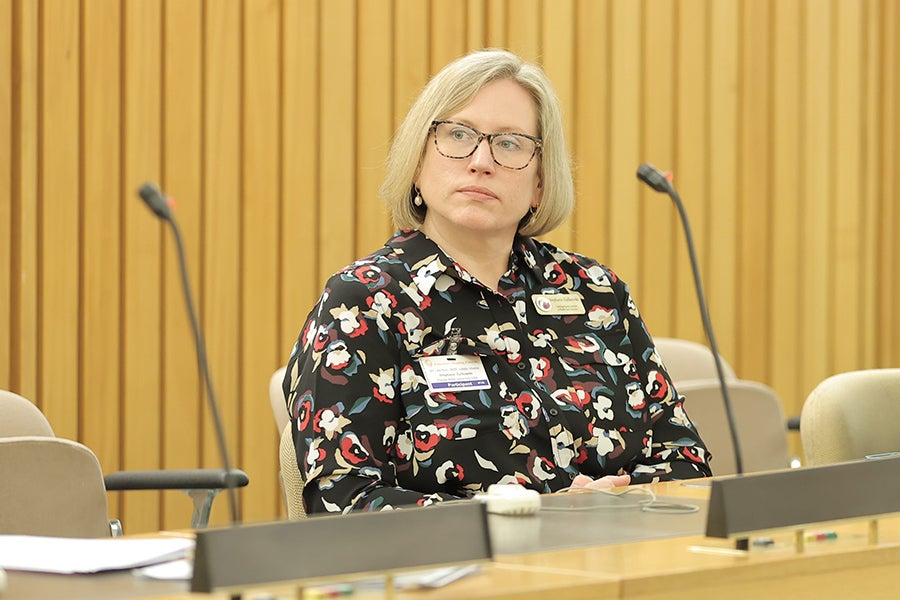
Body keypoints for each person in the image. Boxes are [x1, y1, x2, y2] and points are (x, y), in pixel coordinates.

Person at [283, 48, 711, 515]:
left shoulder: (595, 292)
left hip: (613, 566)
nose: (481, 160)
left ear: (540, 182)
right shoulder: (364, 302)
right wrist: (532, 520)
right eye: (458, 134)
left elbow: (686, 463)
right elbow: (342, 500)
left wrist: (615, 503)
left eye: (509, 143)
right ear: (418, 165)